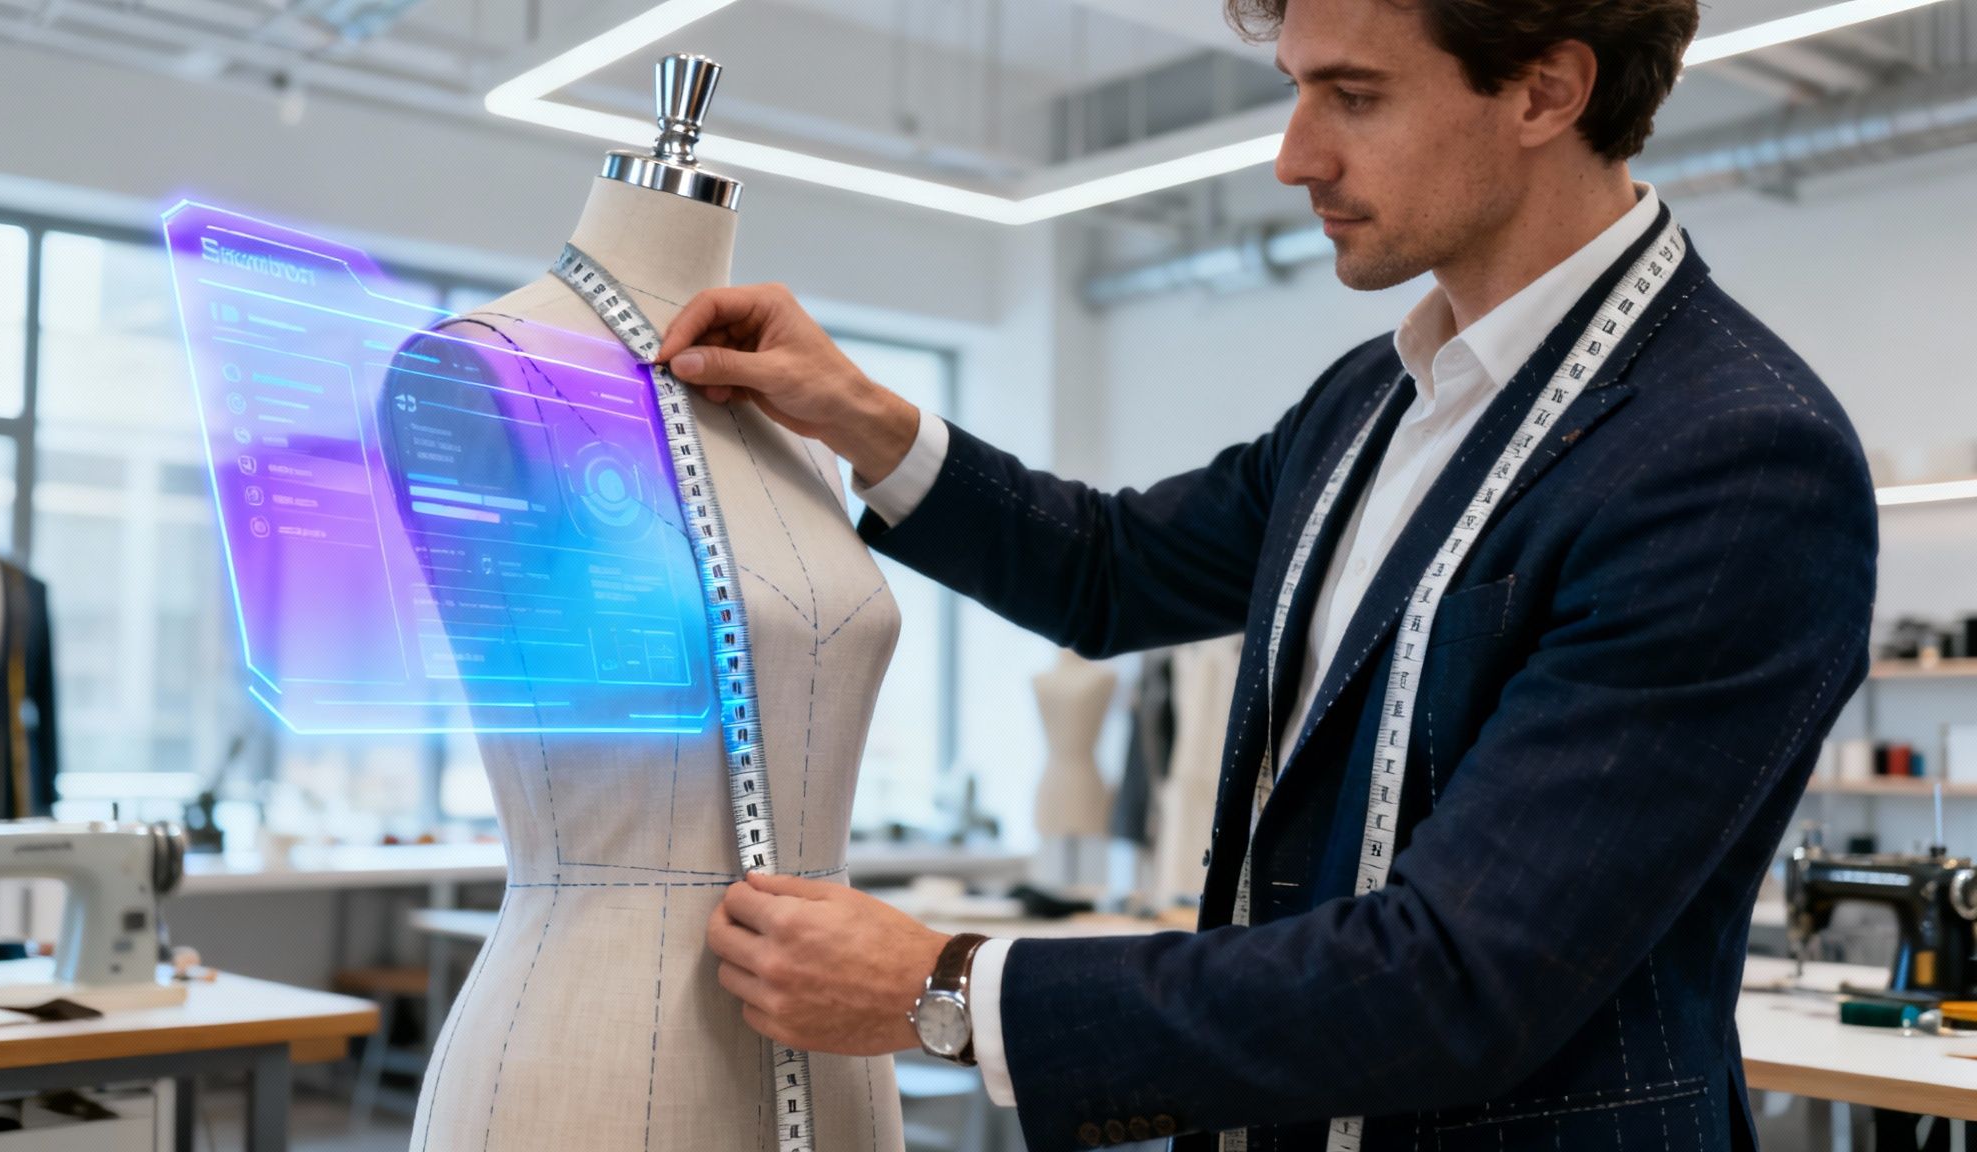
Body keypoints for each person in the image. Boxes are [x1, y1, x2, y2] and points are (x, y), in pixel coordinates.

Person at [670, 1, 1879, 1148]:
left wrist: (944, 990)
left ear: (1545, 92)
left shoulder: (1730, 461)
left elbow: (1459, 980)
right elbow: (1111, 569)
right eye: (1296, 90)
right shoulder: (1374, 402)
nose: (1292, 158)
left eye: (1352, 95)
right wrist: (859, 416)